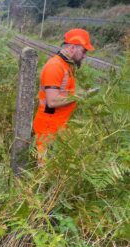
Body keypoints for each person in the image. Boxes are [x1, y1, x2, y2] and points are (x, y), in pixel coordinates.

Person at [33, 28, 95, 163]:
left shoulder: (66, 66)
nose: (85, 56)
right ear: (72, 47)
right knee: (44, 170)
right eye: (84, 51)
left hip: (58, 126)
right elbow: (52, 101)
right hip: (48, 128)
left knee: (55, 170)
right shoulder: (55, 67)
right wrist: (80, 96)